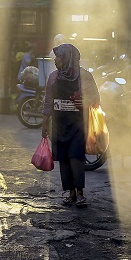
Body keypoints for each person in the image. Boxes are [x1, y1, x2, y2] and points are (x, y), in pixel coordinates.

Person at [40, 43, 100, 208]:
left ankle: (80, 192)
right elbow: (48, 102)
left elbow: (96, 98)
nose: (55, 60)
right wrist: (45, 124)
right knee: (64, 158)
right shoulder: (53, 77)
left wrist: (86, 101)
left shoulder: (85, 76)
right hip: (59, 124)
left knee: (76, 158)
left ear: (67, 58)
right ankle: (70, 192)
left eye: (58, 57)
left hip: (79, 124)